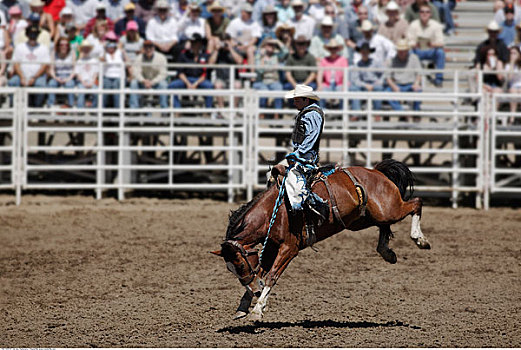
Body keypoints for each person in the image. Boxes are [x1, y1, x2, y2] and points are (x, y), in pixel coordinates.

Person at [283, 84, 328, 246]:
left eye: (296, 99)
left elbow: (311, 136)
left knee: (295, 188)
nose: (294, 102)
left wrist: (299, 153)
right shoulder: (309, 113)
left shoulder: (312, 114)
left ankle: (316, 206)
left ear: (305, 99)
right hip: (303, 156)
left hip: (306, 159)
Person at [168, 33, 217, 112]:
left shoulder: (205, 55)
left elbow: (205, 73)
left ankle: (208, 111)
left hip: (200, 80)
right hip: (185, 79)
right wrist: (187, 83)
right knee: (172, 86)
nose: (194, 45)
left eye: (196, 42)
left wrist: (196, 83)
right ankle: (177, 110)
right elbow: (180, 72)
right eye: (192, 42)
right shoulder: (184, 54)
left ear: (200, 43)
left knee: (210, 86)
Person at [8, 25, 50, 107]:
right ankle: (14, 107)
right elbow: (16, 63)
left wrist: (34, 77)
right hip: (21, 75)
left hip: (37, 76)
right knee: (12, 82)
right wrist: (22, 77)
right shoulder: (20, 47)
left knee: (40, 85)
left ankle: (37, 108)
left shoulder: (43, 48)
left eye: (35, 35)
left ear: (38, 35)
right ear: (27, 35)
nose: (33, 37)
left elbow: (44, 65)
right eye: (31, 34)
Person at [407, 3, 445, 87]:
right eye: (422, 12)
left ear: (430, 14)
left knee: (440, 53)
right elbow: (409, 41)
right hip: (417, 50)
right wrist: (415, 44)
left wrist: (432, 44)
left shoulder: (436, 25)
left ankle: (439, 79)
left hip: (431, 50)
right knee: (409, 52)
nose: (424, 14)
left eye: (427, 12)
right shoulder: (413, 25)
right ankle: (410, 79)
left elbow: (441, 42)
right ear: (419, 13)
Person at [384, 39, 422, 112]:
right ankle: (401, 112)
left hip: (410, 85)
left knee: (418, 90)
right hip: (397, 84)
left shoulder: (414, 58)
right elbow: (387, 77)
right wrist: (393, 86)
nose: (401, 52)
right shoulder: (392, 60)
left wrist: (416, 84)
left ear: (407, 50)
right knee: (387, 92)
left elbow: (419, 73)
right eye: (399, 50)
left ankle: (416, 112)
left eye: (403, 50)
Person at [129, 40, 168, 109]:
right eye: (146, 47)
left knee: (163, 84)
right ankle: (134, 109)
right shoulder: (139, 58)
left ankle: (164, 109)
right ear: (143, 48)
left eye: (150, 47)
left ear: (154, 48)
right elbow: (136, 72)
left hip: (156, 83)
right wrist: (143, 80)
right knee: (133, 83)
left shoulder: (161, 58)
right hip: (143, 82)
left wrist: (152, 82)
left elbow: (163, 74)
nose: (148, 49)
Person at [253, 37, 285, 117]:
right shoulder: (258, 55)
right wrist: (262, 58)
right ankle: (262, 112)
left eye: (273, 45)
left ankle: (277, 114)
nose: (272, 46)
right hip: (262, 81)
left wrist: (277, 41)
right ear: (265, 46)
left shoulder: (276, 56)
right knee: (264, 90)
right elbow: (260, 70)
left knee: (279, 89)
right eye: (270, 44)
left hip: (274, 80)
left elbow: (286, 52)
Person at [350, 42, 384, 112]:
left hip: (374, 84)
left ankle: (377, 112)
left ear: (369, 53)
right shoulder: (357, 64)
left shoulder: (375, 62)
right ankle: (356, 113)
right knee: (354, 89)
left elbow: (383, 74)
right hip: (363, 85)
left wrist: (378, 82)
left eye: (366, 52)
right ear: (360, 53)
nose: (364, 53)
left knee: (379, 88)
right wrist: (365, 85)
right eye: (363, 52)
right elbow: (355, 80)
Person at [225, 2, 261, 69]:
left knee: (250, 50)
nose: (250, 14)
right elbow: (229, 37)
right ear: (242, 12)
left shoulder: (254, 23)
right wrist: (234, 44)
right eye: (248, 12)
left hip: (249, 46)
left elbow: (255, 39)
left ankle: (252, 75)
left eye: (250, 13)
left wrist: (245, 46)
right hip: (236, 47)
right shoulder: (234, 22)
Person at [317, 38, 348, 109]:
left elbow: (345, 75)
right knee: (320, 90)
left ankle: (341, 111)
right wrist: (319, 85)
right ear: (329, 50)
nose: (333, 50)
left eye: (335, 48)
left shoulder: (343, 60)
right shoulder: (324, 60)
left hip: (340, 84)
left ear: (337, 49)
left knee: (343, 91)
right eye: (331, 49)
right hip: (327, 84)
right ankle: (323, 111)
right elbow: (320, 74)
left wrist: (344, 86)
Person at [100, 30, 126, 108]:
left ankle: (118, 111)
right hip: (107, 76)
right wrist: (104, 48)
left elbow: (127, 62)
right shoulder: (103, 53)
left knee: (117, 88)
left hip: (118, 77)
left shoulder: (120, 52)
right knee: (105, 88)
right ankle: (102, 110)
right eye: (109, 41)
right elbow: (102, 59)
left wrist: (122, 50)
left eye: (113, 41)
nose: (111, 43)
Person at [47, 36, 75, 107]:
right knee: (51, 83)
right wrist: (56, 78)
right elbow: (51, 69)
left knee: (70, 84)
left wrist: (68, 78)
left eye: (66, 45)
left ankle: (70, 105)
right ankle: (50, 105)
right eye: (62, 45)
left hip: (69, 76)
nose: (64, 47)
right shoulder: (54, 53)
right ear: (58, 46)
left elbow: (74, 69)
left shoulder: (72, 53)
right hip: (57, 76)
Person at [75, 40, 99, 108]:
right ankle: (80, 110)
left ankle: (94, 109)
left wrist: (92, 82)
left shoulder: (94, 61)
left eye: (87, 48)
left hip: (92, 82)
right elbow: (78, 74)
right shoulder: (79, 61)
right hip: (82, 82)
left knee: (97, 92)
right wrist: (83, 82)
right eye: (84, 49)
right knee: (81, 91)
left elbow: (95, 73)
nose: (86, 50)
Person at [506, 45, 521, 124]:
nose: (512, 55)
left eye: (514, 53)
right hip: (513, 87)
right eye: (511, 53)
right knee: (513, 91)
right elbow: (509, 78)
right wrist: (512, 63)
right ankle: (512, 118)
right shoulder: (508, 66)